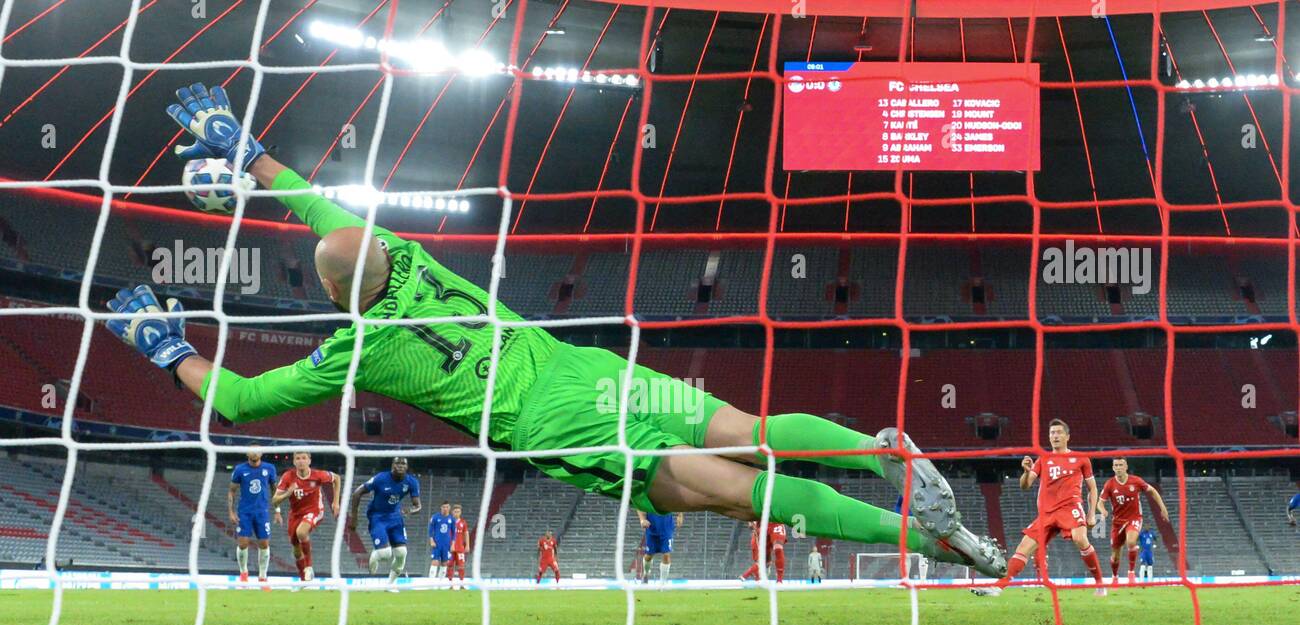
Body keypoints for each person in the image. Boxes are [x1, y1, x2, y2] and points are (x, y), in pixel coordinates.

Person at [104, 82, 1005, 579]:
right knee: (762, 435)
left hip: (558, 424)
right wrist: (252, 151)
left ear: (339, 293)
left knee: (742, 494)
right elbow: (326, 215)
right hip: (592, 369)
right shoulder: (411, 258)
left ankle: (927, 542)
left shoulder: (355, 348)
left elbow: (247, 398)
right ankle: (874, 445)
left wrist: (173, 353)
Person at [979, 419, 1104, 596]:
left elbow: (1092, 487)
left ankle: (1100, 583)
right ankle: (998, 587)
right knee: (1023, 548)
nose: (1055, 436)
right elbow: (1026, 485)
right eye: (1052, 433)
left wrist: (1092, 514)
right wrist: (1025, 472)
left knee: (1080, 538)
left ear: (1067, 436)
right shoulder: (1043, 459)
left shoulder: (1081, 459)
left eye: (1059, 432)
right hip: (1046, 513)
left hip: (1069, 508)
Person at [348, 457, 421, 592]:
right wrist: (354, 518)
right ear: (392, 466)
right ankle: (375, 556)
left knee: (401, 553)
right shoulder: (380, 478)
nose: (400, 466)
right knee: (386, 554)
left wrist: (409, 510)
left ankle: (390, 584)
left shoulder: (411, 482)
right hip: (377, 517)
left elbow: (418, 506)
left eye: (403, 463)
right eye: (397, 463)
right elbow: (357, 493)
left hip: (395, 518)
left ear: (407, 467)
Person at [270, 452, 340, 584]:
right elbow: (275, 500)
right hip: (295, 514)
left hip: (315, 510)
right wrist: (288, 493)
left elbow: (336, 478)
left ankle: (309, 566)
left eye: (304, 458)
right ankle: (304, 581)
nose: (301, 461)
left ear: (309, 461)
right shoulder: (288, 477)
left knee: (301, 532)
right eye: (298, 458)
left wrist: (335, 502)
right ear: (294, 462)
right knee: (296, 550)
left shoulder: (318, 475)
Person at [1097, 457, 1168, 584]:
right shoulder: (1110, 484)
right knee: (1115, 555)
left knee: (1131, 541)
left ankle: (1131, 573)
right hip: (1117, 522)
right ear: (1113, 468)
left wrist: (1162, 508)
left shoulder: (1136, 481)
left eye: (1121, 465)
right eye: (1116, 465)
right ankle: (1115, 577)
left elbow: (1152, 491)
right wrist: (1103, 511)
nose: (1118, 467)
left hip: (1134, 518)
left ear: (1126, 467)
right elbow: (1100, 502)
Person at [227, 447, 280, 587]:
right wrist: (231, 512)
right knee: (243, 543)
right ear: (247, 453)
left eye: (257, 450)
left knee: (264, 544)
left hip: (262, 512)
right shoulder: (239, 469)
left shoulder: (269, 468)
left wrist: (278, 510)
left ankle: (263, 577)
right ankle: (243, 573)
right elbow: (232, 491)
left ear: (261, 453)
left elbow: (275, 489)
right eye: (252, 450)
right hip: (245, 512)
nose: (254, 453)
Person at [637, 509, 681, 583]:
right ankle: (646, 574)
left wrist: (680, 514)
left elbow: (679, 500)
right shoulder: (648, 497)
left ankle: (663, 583)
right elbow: (638, 503)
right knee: (648, 556)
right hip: (651, 528)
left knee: (666, 555)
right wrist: (642, 520)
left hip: (667, 528)